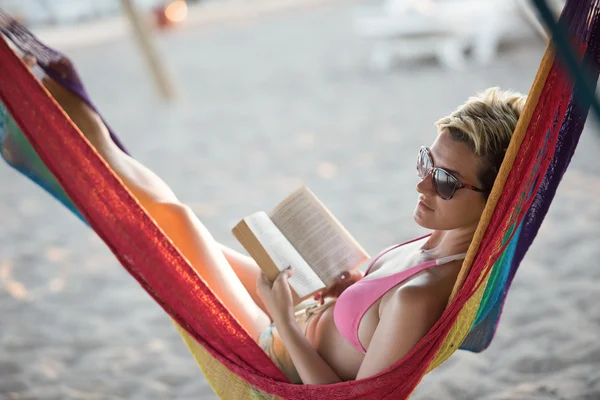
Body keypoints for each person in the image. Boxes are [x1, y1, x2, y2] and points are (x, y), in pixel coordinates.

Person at [28, 58, 525, 384]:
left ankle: (49, 110)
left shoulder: (423, 295)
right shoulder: (433, 239)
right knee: (169, 227)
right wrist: (344, 292)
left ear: (496, 197)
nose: (423, 184)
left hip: (277, 356)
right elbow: (367, 324)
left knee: (167, 224)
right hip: (299, 317)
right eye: (425, 162)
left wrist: (284, 320)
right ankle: (60, 114)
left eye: (445, 181)